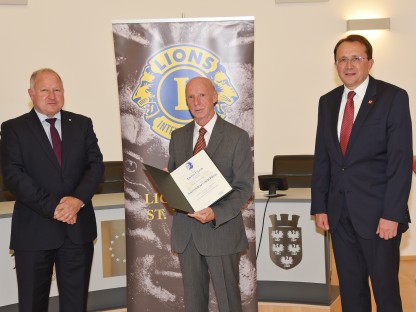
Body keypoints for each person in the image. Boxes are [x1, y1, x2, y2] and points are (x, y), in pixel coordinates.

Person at [311, 34, 412, 312]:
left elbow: (400, 162)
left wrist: (392, 214)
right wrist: (320, 206)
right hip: (340, 215)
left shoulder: (393, 97)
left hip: (380, 217)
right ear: (335, 65)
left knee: (385, 293)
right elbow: (323, 157)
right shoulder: (328, 102)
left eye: (356, 58)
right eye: (342, 59)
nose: (349, 64)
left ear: (370, 62)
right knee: (351, 292)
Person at [1, 68, 104, 312]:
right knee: (32, 304)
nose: (52, 96)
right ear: (31, 93)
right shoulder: (13, 129)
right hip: (34, 230)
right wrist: (56, 208)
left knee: (75, 304)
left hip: (76, 228)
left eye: (57, 89)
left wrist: (76, 201)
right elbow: (14, 177)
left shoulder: (81, 124)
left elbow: (96, 167)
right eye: (44, 90)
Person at [168, 76, 253, 312]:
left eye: (202, 95)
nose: (196, 102)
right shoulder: (178, 137)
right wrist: (167, 185)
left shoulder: (237, 137)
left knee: (228, 303)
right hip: (187, 234)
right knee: (194, 305)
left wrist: (216, 213)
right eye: (190, 97)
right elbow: (176, 184)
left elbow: (244, 187)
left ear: (214, 97)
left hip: (221, 232)